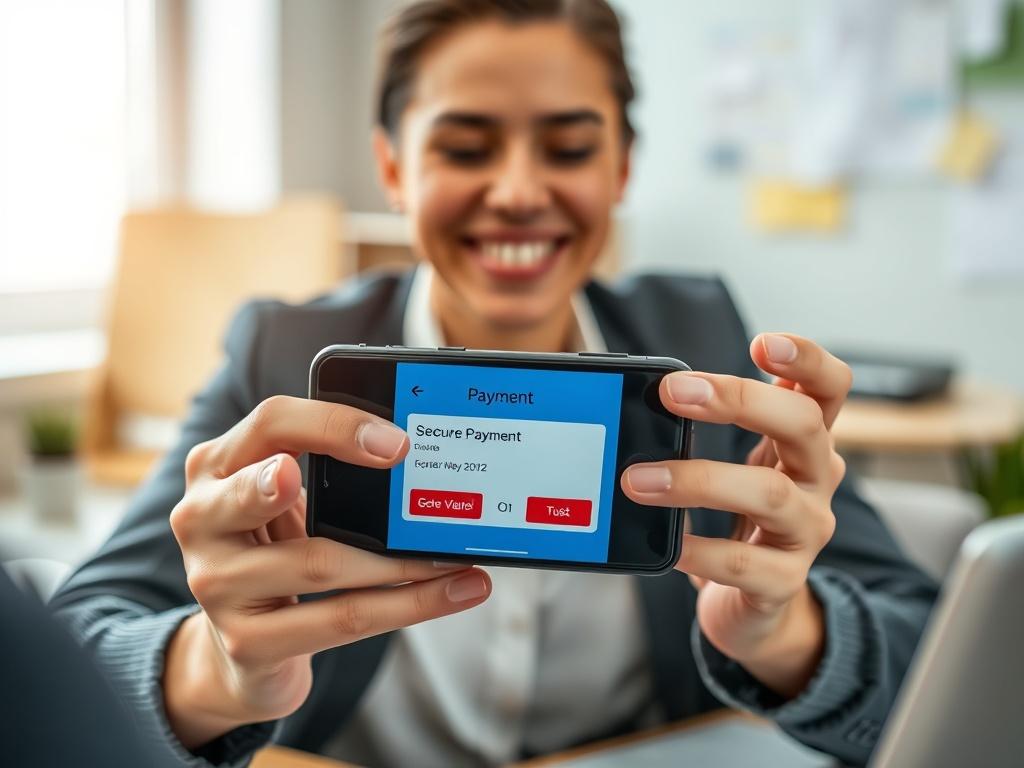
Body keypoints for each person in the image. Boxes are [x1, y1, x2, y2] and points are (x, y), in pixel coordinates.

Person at [51, 1, 937, 766]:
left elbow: (942, 664)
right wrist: (217, 669)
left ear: (621, 169)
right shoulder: (283, 355)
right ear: (394, 169)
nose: (517, 191)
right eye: (467, 147)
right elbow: (70, 651)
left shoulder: (701, 347)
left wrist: (790, 636)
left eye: (569, 147)